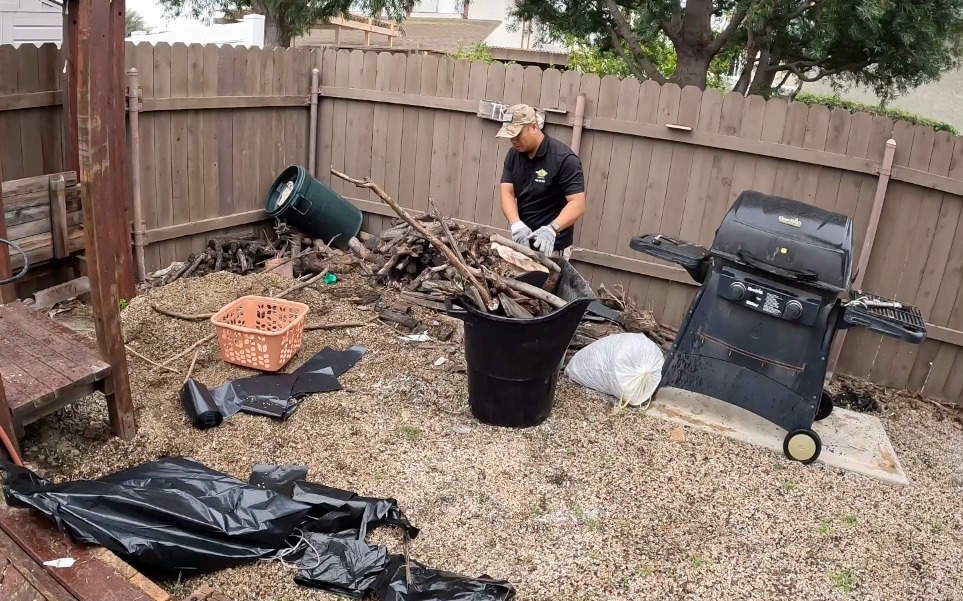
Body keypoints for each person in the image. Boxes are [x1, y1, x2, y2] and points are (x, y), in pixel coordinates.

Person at [497, 104, 586, 259]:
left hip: (551, 246)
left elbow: (577, 203)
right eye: (510, 136)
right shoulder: (513, 155)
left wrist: (551, 229)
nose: (513, 140)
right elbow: (507, 192)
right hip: (523, 241)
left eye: (517, 135)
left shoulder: (564, 159)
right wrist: (516, 224)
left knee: (546, 283)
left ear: (534, 127)